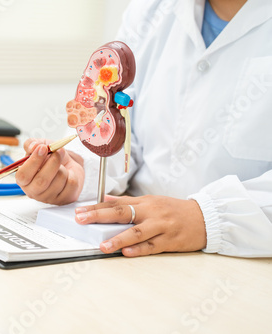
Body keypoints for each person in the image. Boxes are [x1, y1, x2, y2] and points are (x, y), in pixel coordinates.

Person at [15, 0, 272, 258]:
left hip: (240, 262)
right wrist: (81, 170)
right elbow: (123, 121)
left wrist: (206, 216)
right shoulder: (150, 10)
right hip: (136, 245)